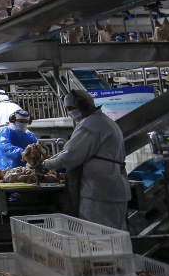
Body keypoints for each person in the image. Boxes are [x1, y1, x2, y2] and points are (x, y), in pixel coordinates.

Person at [41, 90, 131, 231]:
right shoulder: (104, 120)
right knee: (116, 232)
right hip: (112, 186)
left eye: (71, 108)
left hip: (99, 191)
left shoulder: (90, 124)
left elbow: (70, 157)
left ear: (82, 104)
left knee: (96, 233)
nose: (69, 112)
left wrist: (45, 165)